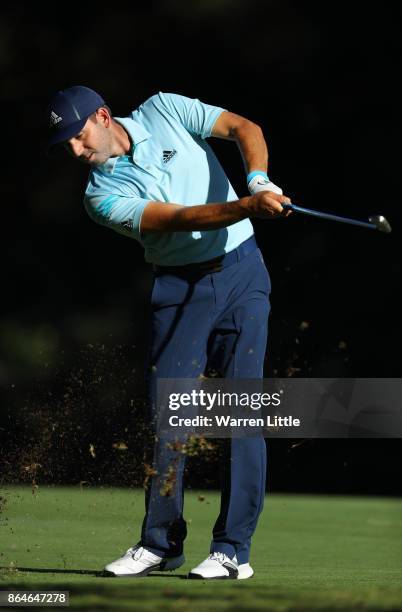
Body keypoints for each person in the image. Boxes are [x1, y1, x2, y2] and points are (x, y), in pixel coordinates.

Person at [46, 85, 292, 580]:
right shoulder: (100, 195)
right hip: (180, 289)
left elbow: (246, 129)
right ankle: (160, 544)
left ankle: (232, 551)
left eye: (78, 136)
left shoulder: (165, 108)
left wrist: (259, 180)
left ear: (102, 115)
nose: (76, 150)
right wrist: (250, 205)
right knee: (168, 417)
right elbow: (179, 221)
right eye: (65, 145)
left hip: (243, 273)